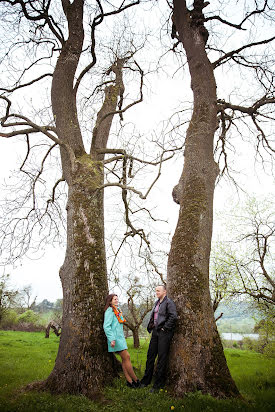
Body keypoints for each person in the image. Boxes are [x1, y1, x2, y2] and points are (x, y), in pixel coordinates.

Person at [140, 285, 177, 392]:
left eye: (158, 290)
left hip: (164, 333)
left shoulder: (169, 302)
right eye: (155, 290)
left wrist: (165, 328)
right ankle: (146, 381)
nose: (156, 292)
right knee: (150, 356)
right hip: (155, 332)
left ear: (164, 291)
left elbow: (173, 316)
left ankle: (158, 384)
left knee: (161, 358)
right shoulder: (157, 302)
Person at [103, 293, 140, 388]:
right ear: (110, 301)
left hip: (120, 338)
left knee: (124, 359)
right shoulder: (109, 311)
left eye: (117, 299)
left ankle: (130, 382)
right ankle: (136, 381)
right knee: (127, 357)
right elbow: (106, 326)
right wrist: (111, 339)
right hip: (114, 339)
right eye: (114, 299)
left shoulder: (117, 310)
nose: (116, 300)